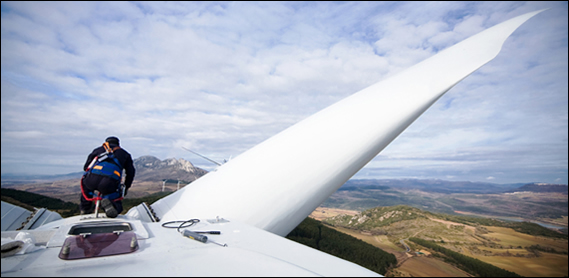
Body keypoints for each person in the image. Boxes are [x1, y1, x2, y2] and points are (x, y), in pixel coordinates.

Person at [80, 136, 135, 217]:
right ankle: (113, 206)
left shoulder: (98, 150)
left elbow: (86, 167)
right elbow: (130, 173)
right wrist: (126, 187)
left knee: (87, 188)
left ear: (106, 143)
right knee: (114, 196)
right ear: (118, 144)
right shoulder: (125, 154)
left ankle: (85, 209)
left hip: (91, 180)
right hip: (109, 182)